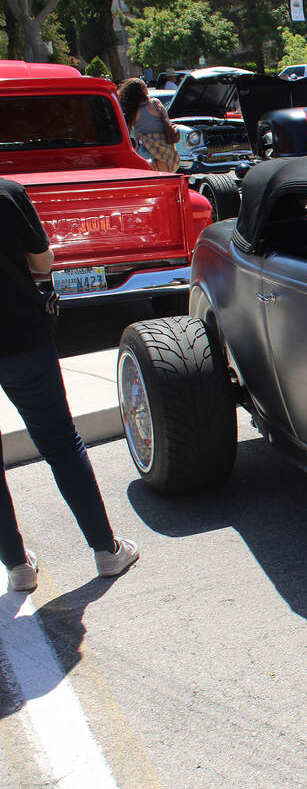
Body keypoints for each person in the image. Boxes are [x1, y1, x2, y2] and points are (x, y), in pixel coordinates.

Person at [0, 179, 139, 593]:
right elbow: (42, 263)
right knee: (60, 443)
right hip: (21, 335)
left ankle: (18, 567)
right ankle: (105, 550)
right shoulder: (7, 194)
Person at [117, 77, 179, 173]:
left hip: (144, 146)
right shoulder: (154, 102)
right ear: (142, 90)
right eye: (145, 87)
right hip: (162, 144)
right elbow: (166, 120)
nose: (147, 88)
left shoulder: (132, 110)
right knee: (166, 176)